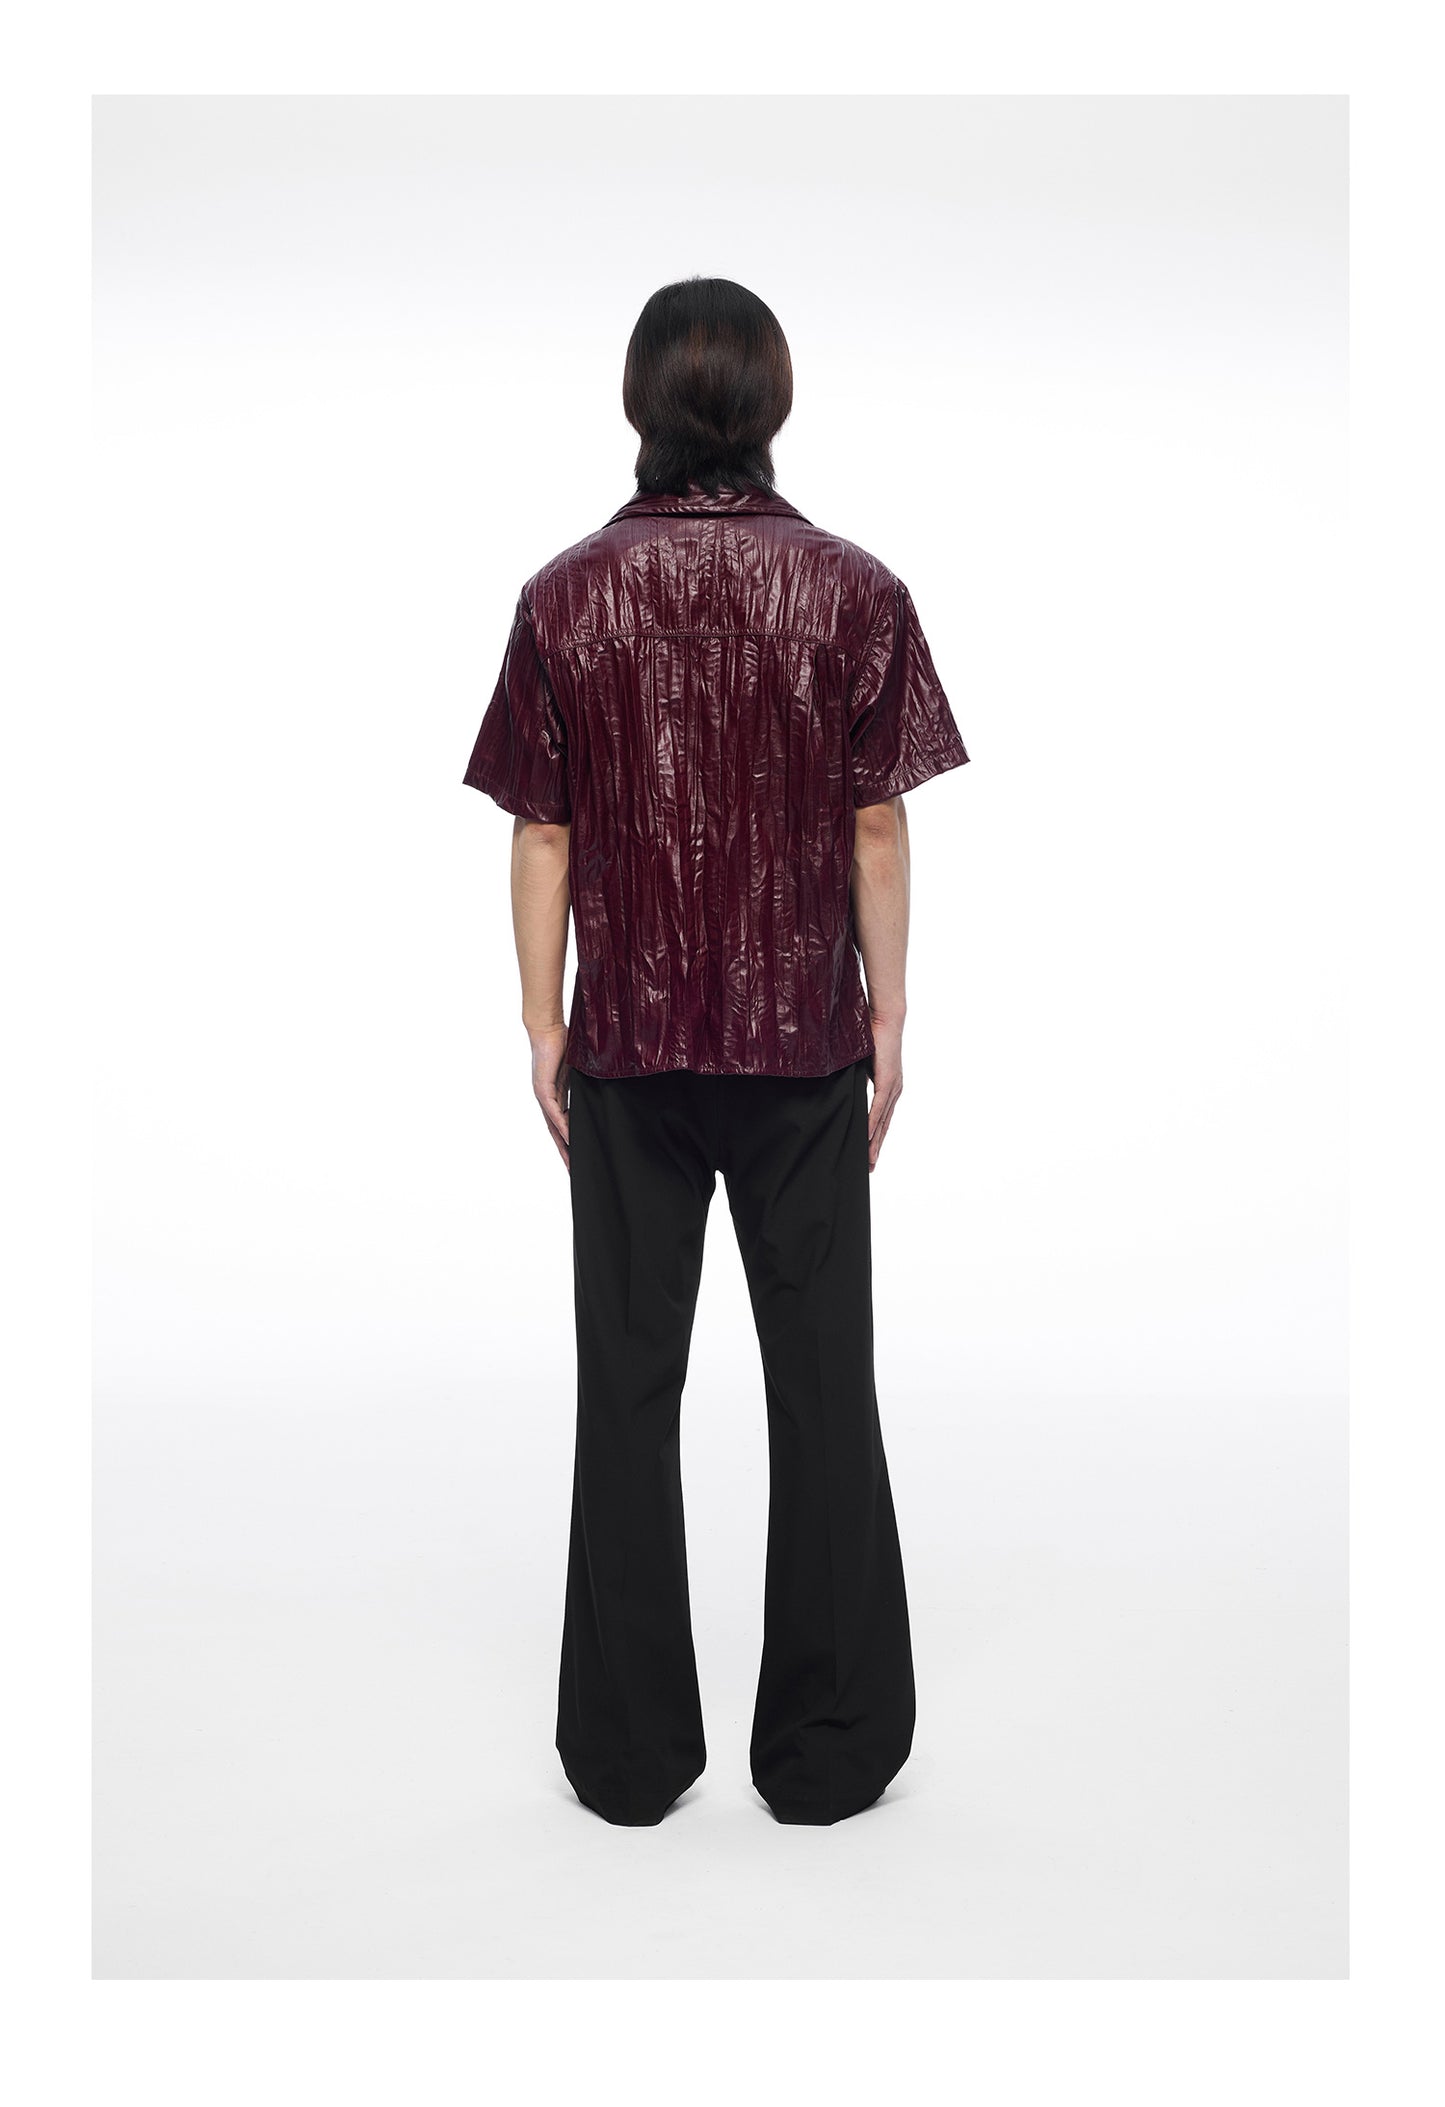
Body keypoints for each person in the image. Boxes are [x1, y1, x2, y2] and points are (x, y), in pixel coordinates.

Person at [463, 276, 970, 1827]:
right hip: (799, 1046)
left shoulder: (562, 597)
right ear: (774, 402)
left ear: (639, 403)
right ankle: (828, 1749)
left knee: (625, 1389)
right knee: (823, 1388)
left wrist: (542, 1020)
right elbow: (873, 826)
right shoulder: (855, 591)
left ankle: (626, 1756)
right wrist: (888, 1014)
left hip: (625, 1054)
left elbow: (542, 831)